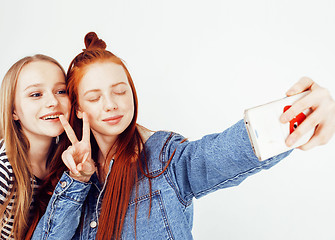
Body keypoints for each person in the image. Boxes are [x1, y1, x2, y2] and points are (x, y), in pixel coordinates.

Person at [32, 32, 335, 240]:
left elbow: (224, 153)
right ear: (80, 109)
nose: (111, 104)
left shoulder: (165, 158)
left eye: (120, 91)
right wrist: (77, 181)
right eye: (95, 97)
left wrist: (298, 117)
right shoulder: (66, 175)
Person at [0, 55, 70, 239]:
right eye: (36, 94)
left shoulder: (65, 161)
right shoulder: (4, 170)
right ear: (13, 110)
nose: (53, 102)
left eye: (61, 91)